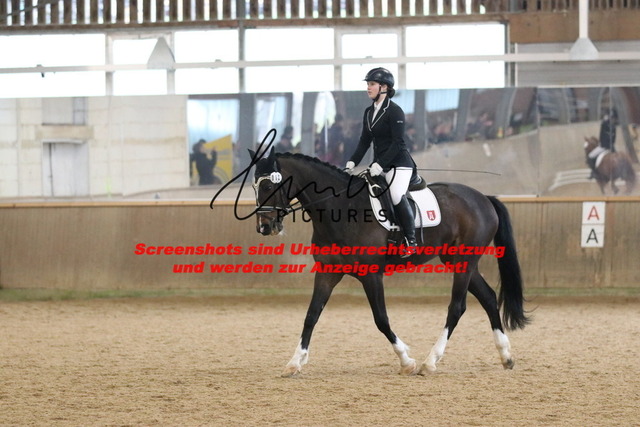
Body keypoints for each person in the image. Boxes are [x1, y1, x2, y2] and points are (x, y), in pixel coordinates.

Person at [344, 67, 417, 255]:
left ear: (384, 87)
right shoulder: (369, 112)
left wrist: (380, 164)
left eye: (372, 84)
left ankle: (411, 240)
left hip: (399, 164)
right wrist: (352, 162)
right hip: (379, 165)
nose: (368, 88)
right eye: (368, 84)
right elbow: (364, 141)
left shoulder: (395, 111)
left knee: (396, 194)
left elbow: (398, 143)